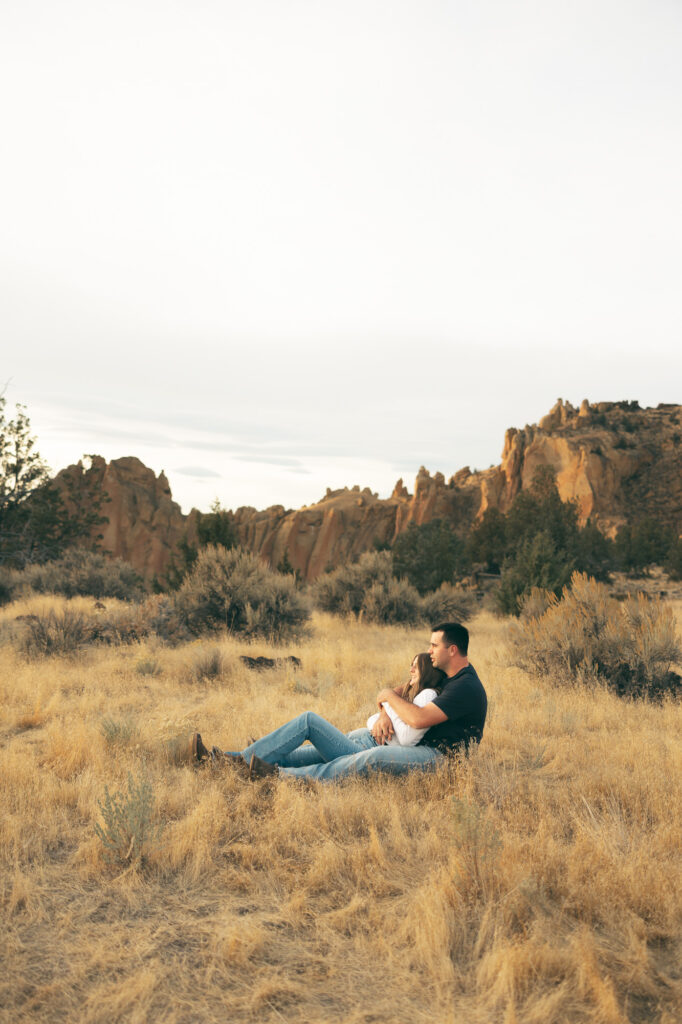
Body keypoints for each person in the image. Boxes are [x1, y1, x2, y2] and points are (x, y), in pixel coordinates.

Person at [190, 622, 487, 782]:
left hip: (438, 758)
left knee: (368, 760)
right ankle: (229, 762)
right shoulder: (442, 674)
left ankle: (278, 779)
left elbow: (419, 719)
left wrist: (386, 698)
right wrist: (384, 710)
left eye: (434, 645)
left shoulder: (465, 686)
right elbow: (396, 694)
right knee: (321, 750)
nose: (429, 650)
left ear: (452, 649)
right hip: (395, 740)